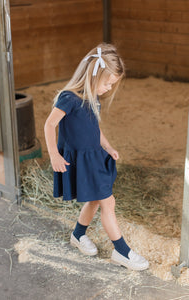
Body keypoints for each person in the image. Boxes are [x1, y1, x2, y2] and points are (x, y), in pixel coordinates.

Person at [44, 43, 149, 271]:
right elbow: (49, 124)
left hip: (94, 157)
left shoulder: (94, 99)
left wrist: (108, 147)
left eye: (112, 84)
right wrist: (54, 154)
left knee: (96, 200)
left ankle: (78, 234)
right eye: (107, 83)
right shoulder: (68, 98)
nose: (109, 88)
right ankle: (122, 251)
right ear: (93, 74)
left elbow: (94, 129)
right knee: (107, 202)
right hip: (80, 161)